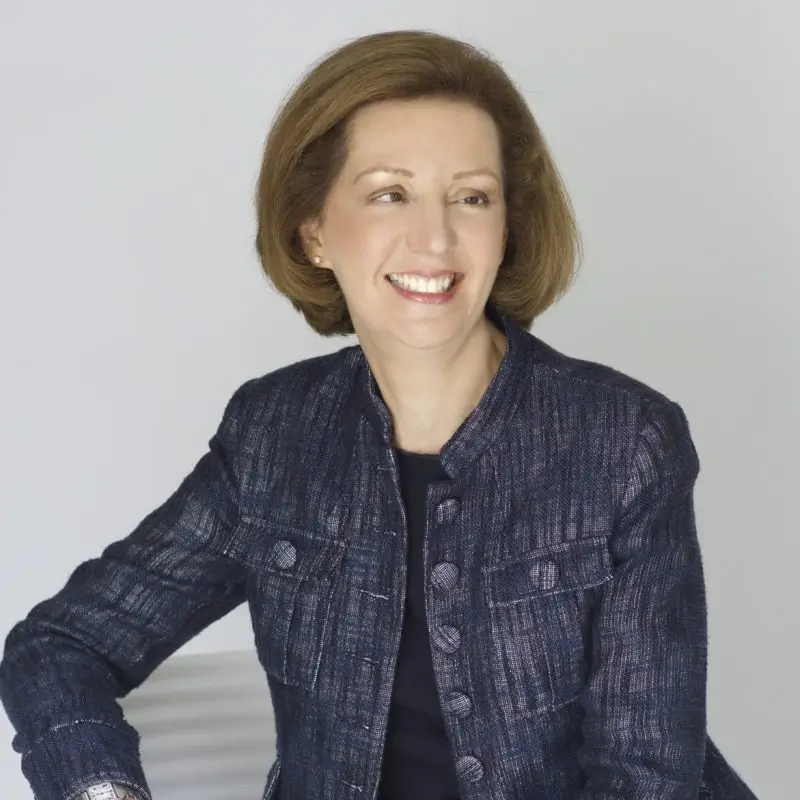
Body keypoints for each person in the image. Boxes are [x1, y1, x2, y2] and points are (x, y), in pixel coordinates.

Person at [0, 29, 758, 800]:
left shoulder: (626, 442)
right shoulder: (274, 436)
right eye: (390, 193)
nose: (434, 239)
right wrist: (103, 791)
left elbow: (646, 778)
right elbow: (61, 645)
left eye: (472, 197)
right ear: (315, 231)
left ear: (507, 228)